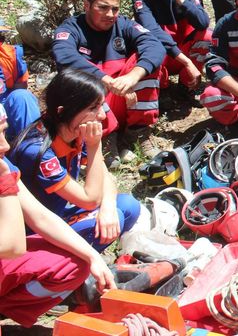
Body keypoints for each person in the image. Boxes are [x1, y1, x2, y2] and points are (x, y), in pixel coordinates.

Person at [0, 102, 116, 328]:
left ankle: (8, 308)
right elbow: (12, 246)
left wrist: (93, 256)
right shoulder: (36, 150)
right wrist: (6, 185)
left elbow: (40, 216)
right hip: (8, 246)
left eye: (3, 132)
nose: (5, 145)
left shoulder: (3, 164)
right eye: (92, 107)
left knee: (77, 260)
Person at [9, 69, 141, 253]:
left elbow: (107, 179)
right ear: (63, 112)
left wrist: (108, 208)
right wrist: (95, 146)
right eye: (92, 108)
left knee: (128, 206)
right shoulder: (39, 152)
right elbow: (89, 200)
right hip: (35, 230)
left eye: (101, 106)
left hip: (59, 213)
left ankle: (81, 259)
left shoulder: (74, 130)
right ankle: (61, 270)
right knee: (114, 218)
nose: (102, 115)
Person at [53, 0, 167, 162]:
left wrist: (133, 76)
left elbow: (155, 46)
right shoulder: (70, 29)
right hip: (96, 105)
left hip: (125, 99)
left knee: (147, 63)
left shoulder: (124, 25)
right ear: (86, 5)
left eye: (115, 9)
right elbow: (64, 57)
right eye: (103, 8)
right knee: (77, 78)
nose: (110, 14)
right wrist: (106, 80)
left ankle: (138, 133)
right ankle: (104, 138)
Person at [132, 0, 211, 97]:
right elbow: (152, 30)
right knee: (150, 44)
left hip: (182, 50)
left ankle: (187, 85)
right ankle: (163, 89)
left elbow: (203, 22)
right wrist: (187, 62)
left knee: (207, 36)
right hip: (165, 55)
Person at [0, 21, 39, 139]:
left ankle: (32, 147)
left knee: (22, 97)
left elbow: (20, 89)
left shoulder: (9, 56)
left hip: (4, 118)